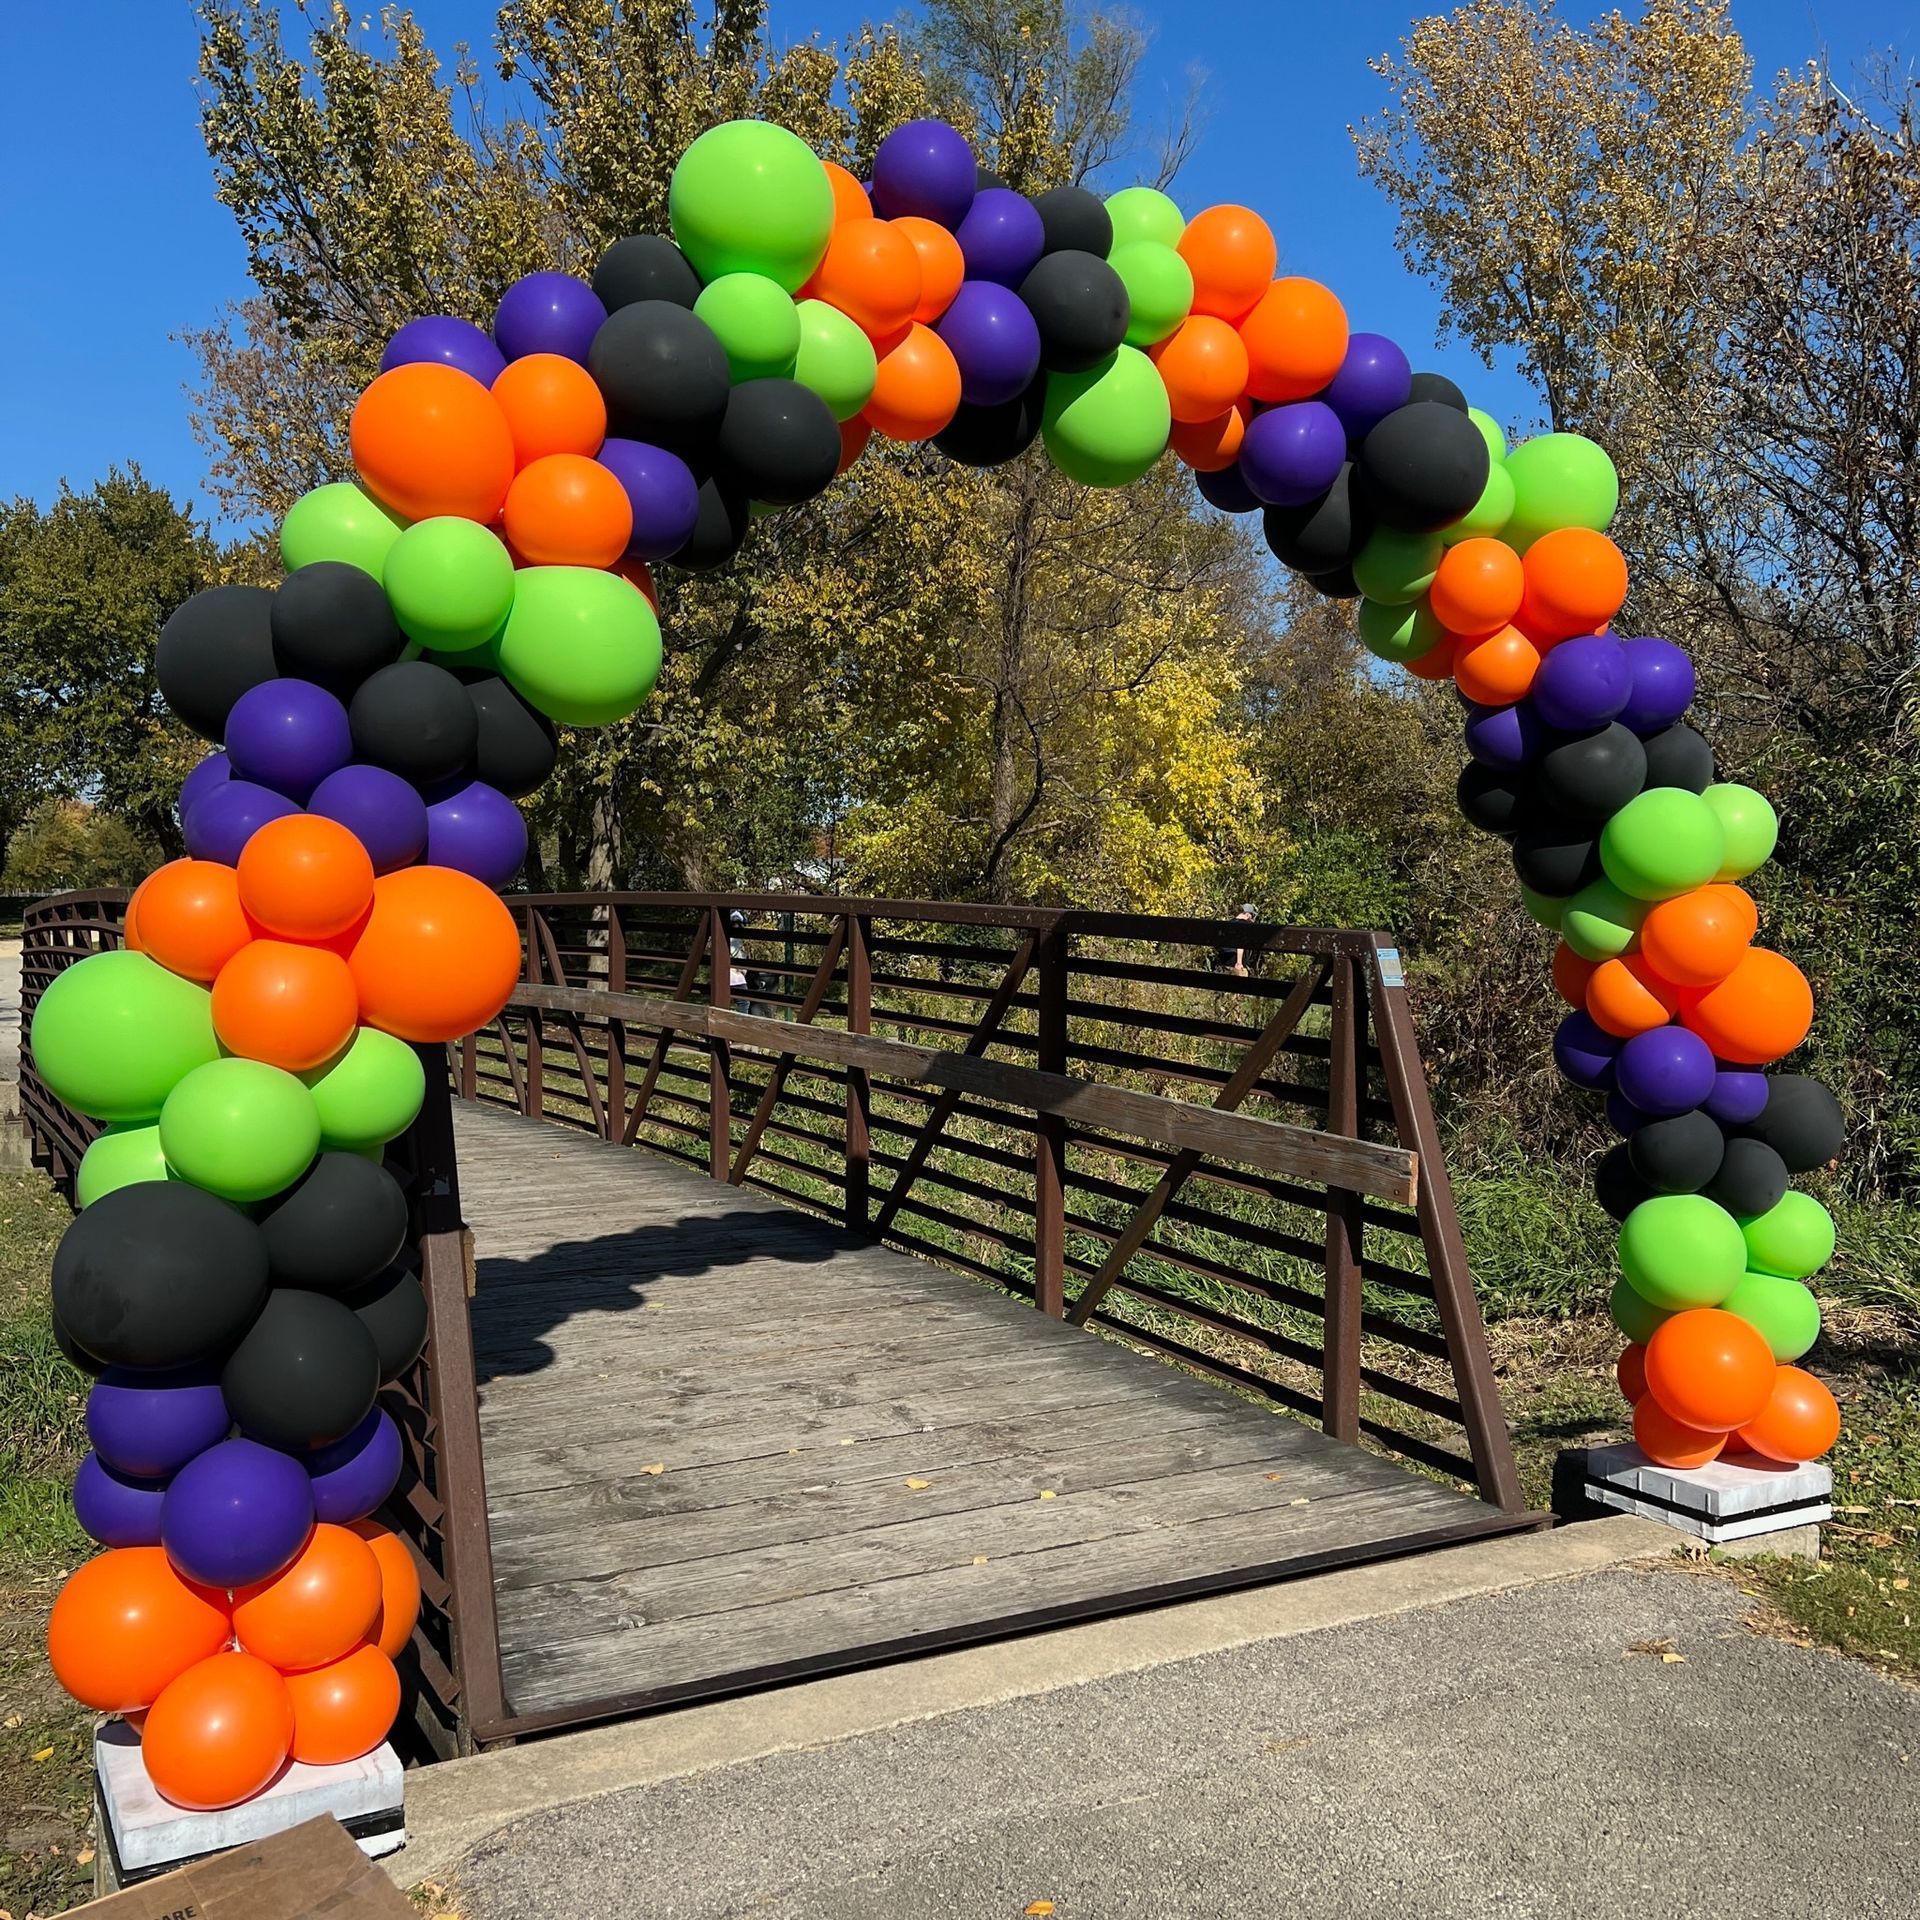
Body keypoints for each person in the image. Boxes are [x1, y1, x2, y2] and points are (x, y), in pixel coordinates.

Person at [1211, 904, 1257, 977]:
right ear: (1248, 914)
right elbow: (1240, 943)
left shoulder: (1229, 923)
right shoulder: (1244, 924)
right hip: (1234, 957)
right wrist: (1239, 962)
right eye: (1252, 915)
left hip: (1223, 956)